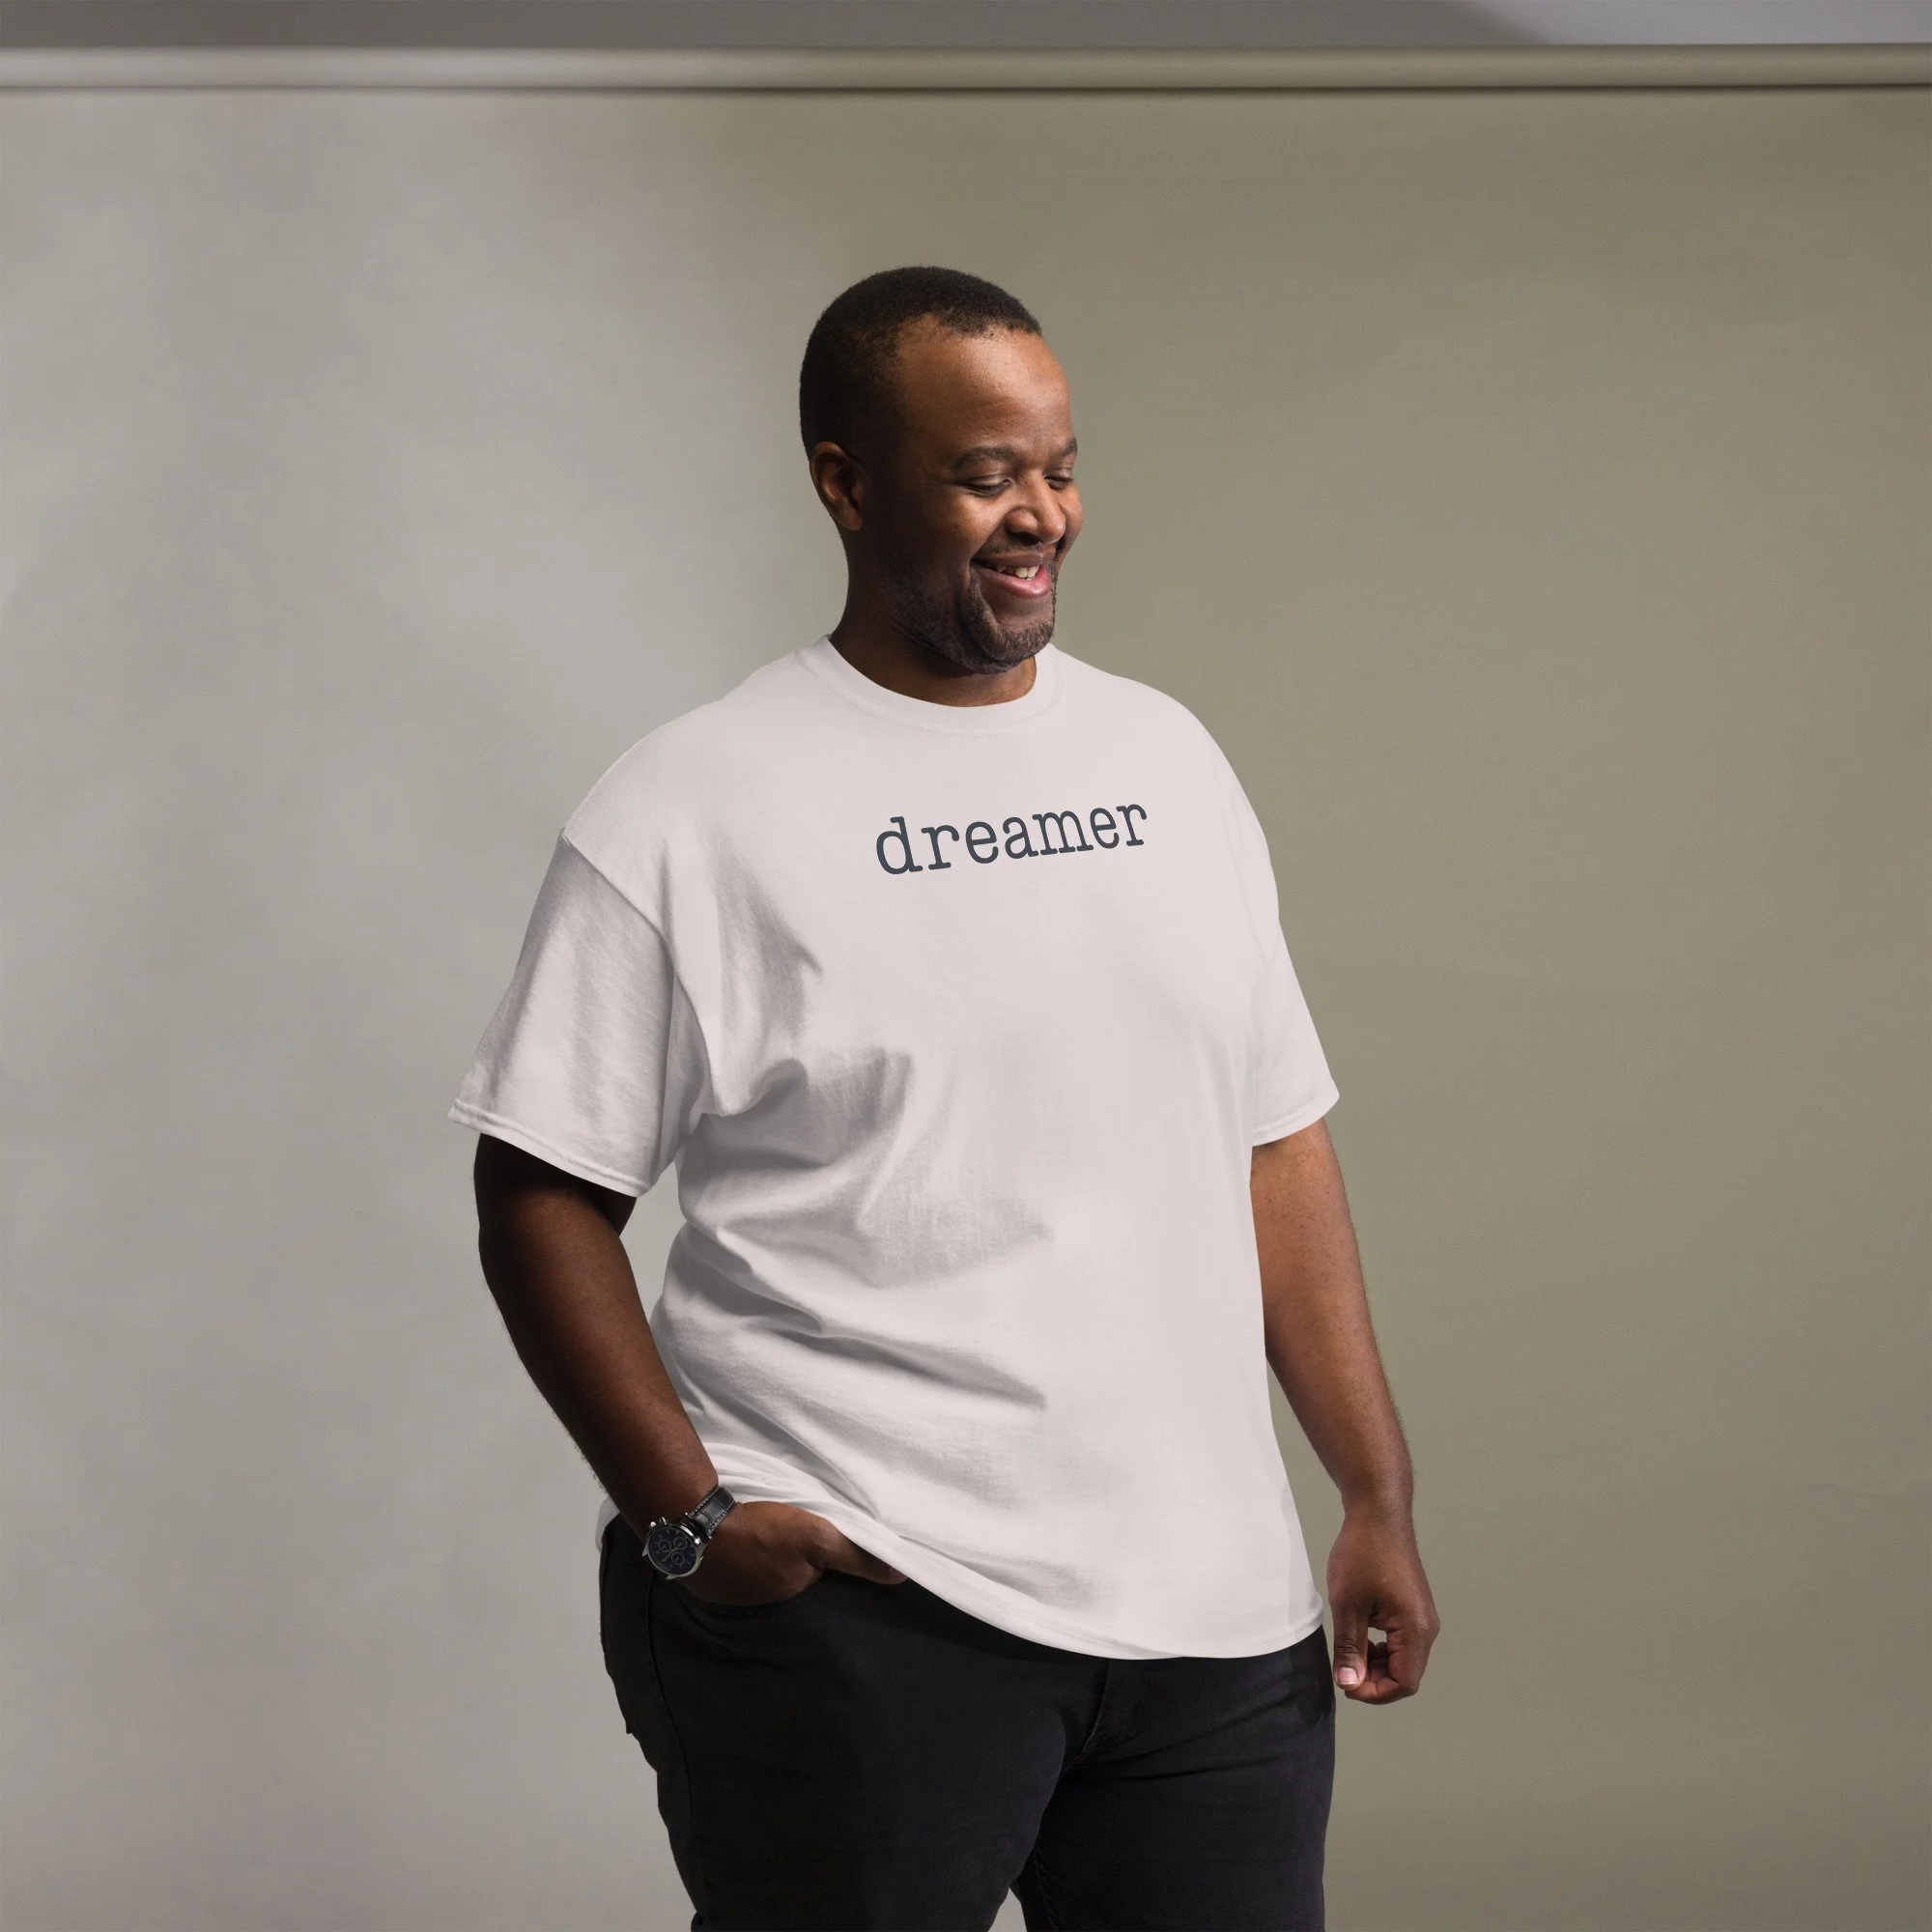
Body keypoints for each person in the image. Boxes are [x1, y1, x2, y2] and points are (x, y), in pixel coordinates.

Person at [451, 265, 1438, 1932]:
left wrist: (1374, 1494)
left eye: (1059, 467)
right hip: (870, 1607)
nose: (1040, 513)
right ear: (846, 482)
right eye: (986, 475)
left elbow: (1275, 1142)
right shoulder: (694, 805)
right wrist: (690, 1522)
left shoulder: (1168, 763)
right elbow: (539, 1190)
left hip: (1213, 1628)